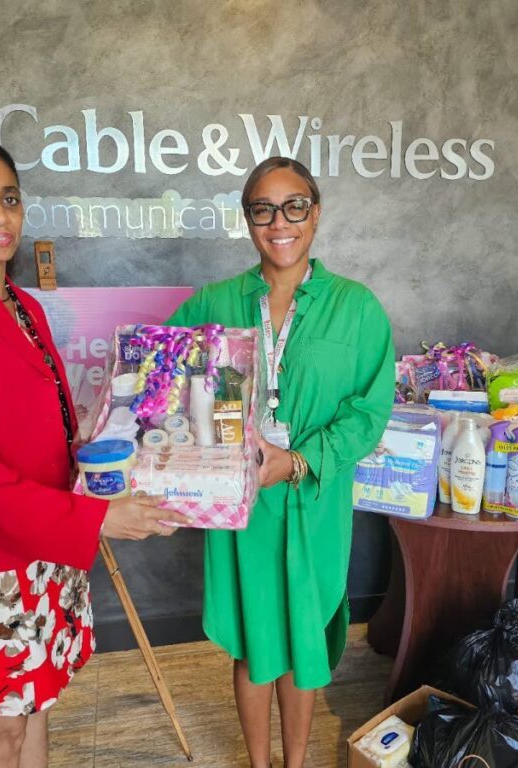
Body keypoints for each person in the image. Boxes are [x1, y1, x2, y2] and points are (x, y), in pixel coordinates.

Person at [0, 131, 188, 768]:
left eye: (10, 198)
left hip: (44, 546)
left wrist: (114, 454)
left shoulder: (22, 304)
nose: (0, 216)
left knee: (39, 701)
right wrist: (100, 518)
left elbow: (45, 426)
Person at [168, 157, 394, 768]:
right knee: (251, 642)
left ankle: (295, 763)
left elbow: (368, 413)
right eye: (263, 210)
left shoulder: (357, 308)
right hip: (242, 505)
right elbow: (160, 385)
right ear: (248, 221)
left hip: (315, 501)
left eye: (294, 206)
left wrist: (298, 460)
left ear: (315, 213)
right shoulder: (213, 303)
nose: (280, 223)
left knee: (303, 637)